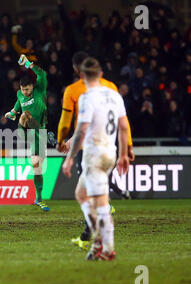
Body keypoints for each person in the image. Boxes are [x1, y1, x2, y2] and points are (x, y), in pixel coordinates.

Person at [56, 51, 135, 250]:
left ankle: (103, 246)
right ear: (100, 74)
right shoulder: (113, 92)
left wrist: (68, 154)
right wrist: (126, 152)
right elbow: (124, 126)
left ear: (80, 73)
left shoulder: (82, 95)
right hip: (111, 151)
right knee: (85, 195)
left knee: (98, 203)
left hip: (93, 154)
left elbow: (80, 129)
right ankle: (94, 239)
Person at [4, 54, 50, 212]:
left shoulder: (39, 90)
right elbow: (17, 107)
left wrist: (28, 64)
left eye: (27, 89)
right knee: (26, 115)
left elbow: (42, 74)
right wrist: (11, 113)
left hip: (40, 133)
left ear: (33, 86)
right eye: (22, 89)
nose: (24, 92)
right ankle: (24, 123)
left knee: (37, 167)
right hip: (26, 131)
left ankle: (39, 198)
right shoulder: (20, 95)